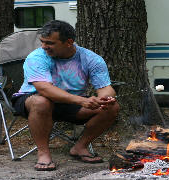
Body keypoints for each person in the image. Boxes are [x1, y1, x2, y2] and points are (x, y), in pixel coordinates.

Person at [11, 20, 119, 171]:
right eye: (42, 42)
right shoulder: (37, 57)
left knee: (111, 107)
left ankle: (80, 147)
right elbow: (44, 89)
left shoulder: (91, 59)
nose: (43, 46)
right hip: (31, 99)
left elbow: (105, 87)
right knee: (42, 102)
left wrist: (106, 98)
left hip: (71, 105)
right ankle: (43, 154)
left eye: (50, 43)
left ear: (68, 42)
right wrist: (82, 100)